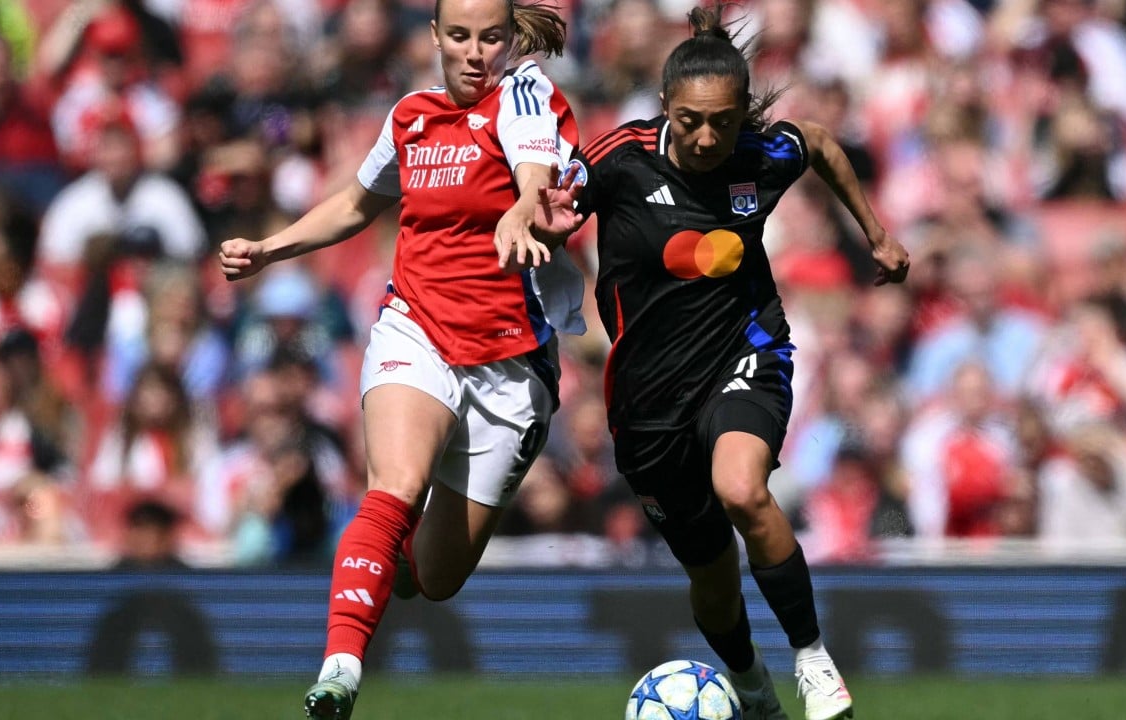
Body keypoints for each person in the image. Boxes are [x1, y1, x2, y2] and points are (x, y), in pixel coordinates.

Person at [538, 7, 910, 720]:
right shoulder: (620, 160)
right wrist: (542, 224)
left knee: (741, 489)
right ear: (665, 109)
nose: (707, 138)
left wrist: (876, 234)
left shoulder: (759, 156)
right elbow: (548, 202)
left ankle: (812, 658)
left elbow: (818, 143)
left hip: (745, 352)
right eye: (690, 122)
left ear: (742, 114)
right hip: (649, 403)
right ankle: (753, 688)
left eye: (723, 122)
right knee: (711, 575)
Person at [218, 0, 584, 716]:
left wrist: (523, 208)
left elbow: (534, 166)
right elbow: (359, 203)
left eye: (491, 38)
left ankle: (394, 558)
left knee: (435, 577)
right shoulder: (411, 116)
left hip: (510, 365)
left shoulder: (526, 94)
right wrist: (269, 249)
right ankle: (340, 669)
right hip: (416, 327)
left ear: (511, 39)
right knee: (395, 485)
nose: (475, 53)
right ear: (434, 37)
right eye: (459, 36)